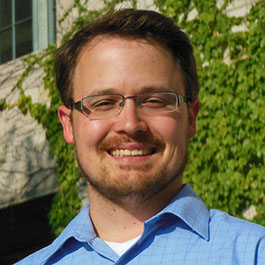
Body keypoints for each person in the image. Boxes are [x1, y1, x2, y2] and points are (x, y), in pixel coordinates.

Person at [16, 8, 265, 265]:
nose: (130, 124)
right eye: (103, 103)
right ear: (68, 125)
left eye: (155, 101)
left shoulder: (255, 253)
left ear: (191, 118)